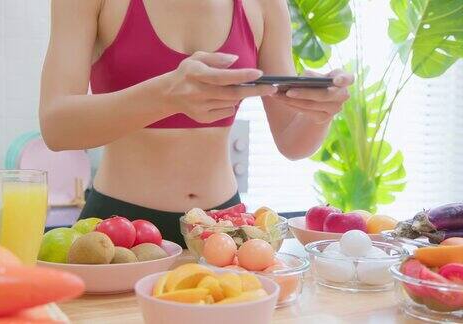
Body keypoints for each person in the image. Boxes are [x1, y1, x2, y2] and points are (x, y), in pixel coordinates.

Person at [39, 0, 353, 247]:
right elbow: (57, 126)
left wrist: (318, 113)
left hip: (225, 227)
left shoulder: (266, 4)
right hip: (120, 228)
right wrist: (167, 95)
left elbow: (292, 142)